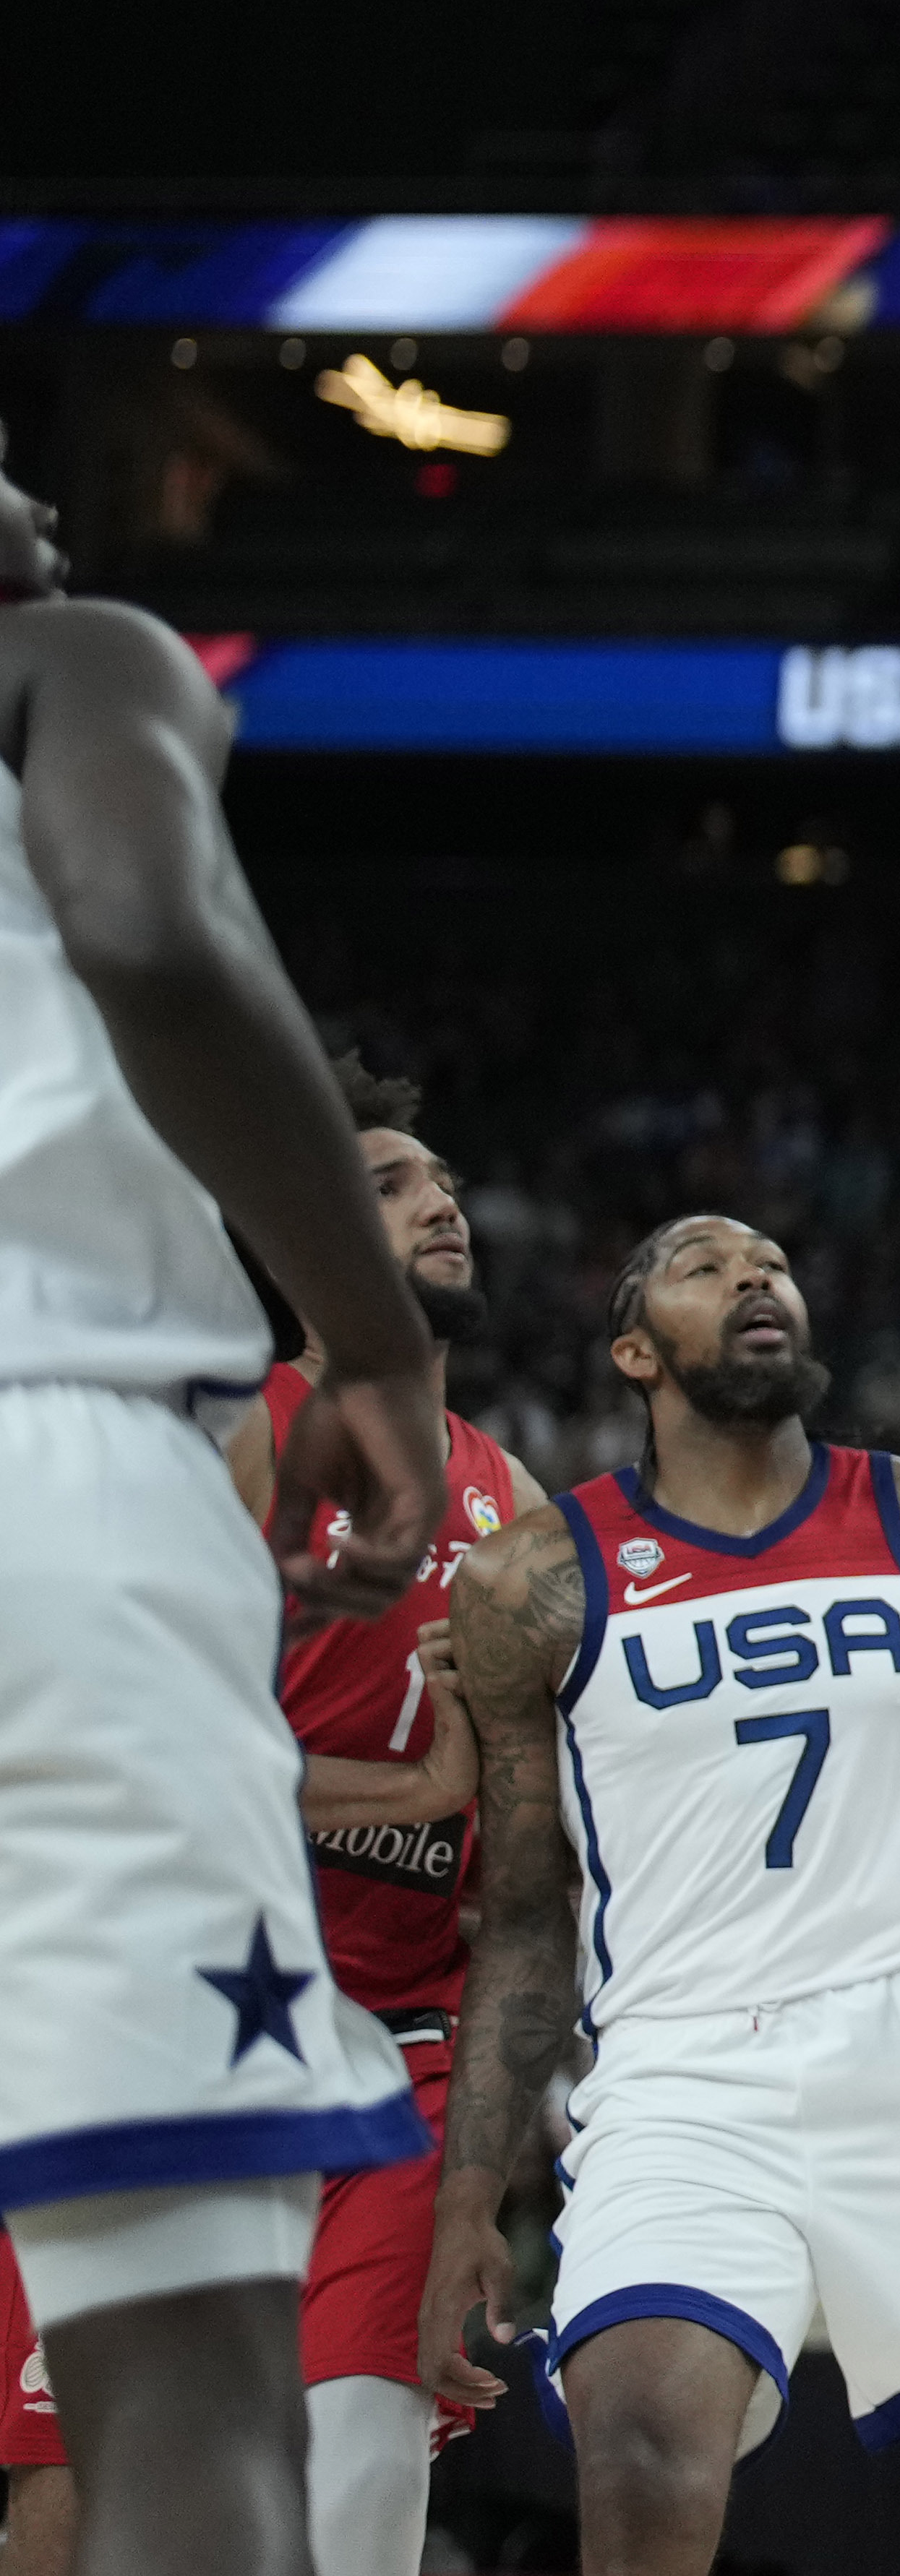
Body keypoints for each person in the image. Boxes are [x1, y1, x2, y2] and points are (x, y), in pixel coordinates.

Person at [412, 1215, 900, 2576]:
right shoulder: (532, 1579)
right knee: (633, 2450)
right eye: (703, 1266)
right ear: (636, 1349)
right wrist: (468, 2197)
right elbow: (527, 1912)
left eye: (770, 1261)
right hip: (680, 2066)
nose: (755, 1276)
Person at [0, 451, 453, 2576]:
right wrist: (367, 1331)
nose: (49, 502)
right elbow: (148, 925)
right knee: (184, 2385)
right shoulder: (67, 655)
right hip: (53, 1450)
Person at [0, 1048, 531, 2576]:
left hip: (394, 2056)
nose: (440, 1205)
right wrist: (418, 1787)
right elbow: (129, 1750)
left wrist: (497, 2169)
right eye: (385, 1186)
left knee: (356, 2511)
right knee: (85, 2490)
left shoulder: (524, 1511)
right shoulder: (230, 1435)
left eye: (436, 1179)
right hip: (161, 2020)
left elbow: (523, 1872)